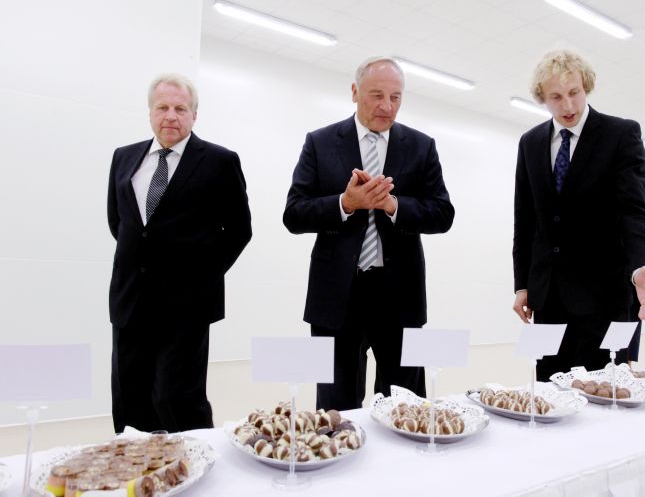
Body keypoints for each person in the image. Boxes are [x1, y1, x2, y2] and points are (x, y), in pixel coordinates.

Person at [283, 56, 455, 411]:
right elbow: (294, 213)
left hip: (401, 296)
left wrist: (393, 206)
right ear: (354, 92)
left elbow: (443, 214)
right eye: (377, 95)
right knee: (336, 408)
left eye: (395, 97)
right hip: (336, 296)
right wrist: (345, 203)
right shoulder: (320, 142)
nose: (386, 106)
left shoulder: (422, 146)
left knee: (405, 405)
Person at [107, 74, 252, 433]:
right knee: (130, 397)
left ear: (194, 115)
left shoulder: (219, 161)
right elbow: (121, 223)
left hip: (187, 305)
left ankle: (198, 461)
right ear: (150, 112)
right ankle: (138, 464)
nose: (170, 116)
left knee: (177, 398)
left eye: (180, 109)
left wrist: (201, 277)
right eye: (162, 107)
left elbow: (239, 231)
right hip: (130, 300)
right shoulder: (124, 157)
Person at [512, 50, 645, 381]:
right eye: (556, 97)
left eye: (574, 92)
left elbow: (634, 210)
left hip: (603, 295)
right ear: (542, 98)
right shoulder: (530, 143)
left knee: (602, 390)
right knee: (550, 389)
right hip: (548, 298)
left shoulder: (620, 134)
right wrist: (522, 284)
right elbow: (525, 219)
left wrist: (643, 267)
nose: (568, 105)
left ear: (586, 87)